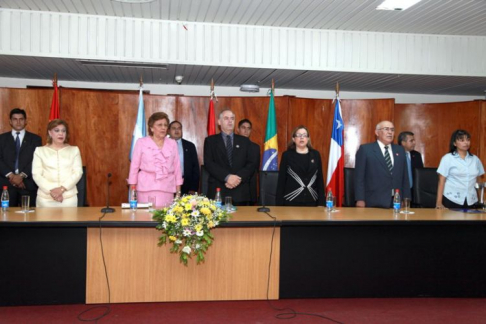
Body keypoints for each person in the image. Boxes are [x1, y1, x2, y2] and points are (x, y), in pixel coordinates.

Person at [203, 109, 258, 205]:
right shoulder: (210, 141)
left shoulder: (245, 141)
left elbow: (251, 163)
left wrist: (237, 178)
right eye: (226, 118)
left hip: (240, 192)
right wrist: (227, 177)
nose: (230, 121)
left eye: (232, 118)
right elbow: (209, 163)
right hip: (218, 191)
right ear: (219, 122)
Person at [128, 112, 183, 208]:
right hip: (145, 189)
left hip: (167, 189)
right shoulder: (141, 142)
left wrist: (178, 192)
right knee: (145, 218)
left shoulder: (172, 143)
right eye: (159, 125)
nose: (163, 128)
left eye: (165, 125)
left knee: (165, 219)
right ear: (152, 128)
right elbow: (134, 168)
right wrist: (133, 191)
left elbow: (177, 169)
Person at [354, 120, 410, 208]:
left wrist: (406, 199)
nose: (390, 132)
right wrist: (360, 199)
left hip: (396, 201)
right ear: (377, 132)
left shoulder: (400, 150)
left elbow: (405, 176)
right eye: (386, 129)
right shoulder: (366, 150)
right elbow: (359, 177)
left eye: (392, 130)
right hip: (373, 201)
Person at [32, 119, 83, 207]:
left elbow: (78, 172)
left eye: (63, 131)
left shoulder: (74, 150)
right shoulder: (39, 151)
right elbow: (36, 174)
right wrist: (52, 191)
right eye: (57, 130)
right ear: (50, 133)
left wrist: (62, 189)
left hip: (68, 197)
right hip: (45, 198)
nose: (61, 133)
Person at [0, 108, 42, 207]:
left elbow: (36, 160)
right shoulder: (1, 139)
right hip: (6, 185)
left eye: (21, 119)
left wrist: (21, 176)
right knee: (6, 218)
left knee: (30, 218)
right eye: (15, 119)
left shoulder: (35, 139)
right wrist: (12, 176)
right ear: (10, 121)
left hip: (28, 185)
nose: (18, 122)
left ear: (25, 121)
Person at [276, 126, 324, 206]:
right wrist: (279, 204)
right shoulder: (287, 155)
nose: (302, 137)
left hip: (312, 201)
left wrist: (321, 203)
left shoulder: (316, 155)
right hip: (291, 201)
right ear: (294, 139)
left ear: (308, 138)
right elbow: (281, 181)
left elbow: (320, 180)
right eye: (298, 135)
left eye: (304, 135)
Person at [436, 129, 484, 209]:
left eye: (468, 140)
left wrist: (481, 201)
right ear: (454, 143)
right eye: (462, 140)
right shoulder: (447, 158)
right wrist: (438, 203)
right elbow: (441, 181)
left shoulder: (475, 159)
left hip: (471, 200)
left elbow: (478, 181)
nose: (466, 143)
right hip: (452, 199)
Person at [168, 120, 200, 195]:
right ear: (168, 131)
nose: (177, 130)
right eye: (174, 128)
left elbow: (195, 168)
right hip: (168, 184)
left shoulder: (190, 146)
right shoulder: (164, 144)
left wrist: (193, 188)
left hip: (186, 185)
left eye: (179, 128)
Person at [237, 119, 260, 205]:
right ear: (238, 129)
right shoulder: (231, 145)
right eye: (243, 128)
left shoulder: (255, 147)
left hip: (250, 186)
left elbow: (255, 168)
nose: (246, 131)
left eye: (248, 128)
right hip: (236, 186)